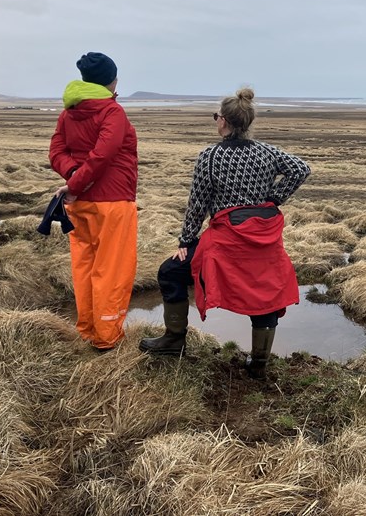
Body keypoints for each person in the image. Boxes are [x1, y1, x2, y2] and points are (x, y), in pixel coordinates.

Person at [139, 87, 310, 378]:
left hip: (226, 242)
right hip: (263, 242)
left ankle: (174, 341)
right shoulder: (267, 152)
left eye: (216, 116)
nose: (216, 120)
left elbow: (197, 204)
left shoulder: (211, 157)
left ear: (224, 121)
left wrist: (186, 241)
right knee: (266, 291)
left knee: (170, 271)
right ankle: (259, 364)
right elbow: (301, 169)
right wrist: (273, 200)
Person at [49, 52, 138, 351]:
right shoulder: (112, 112)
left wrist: (73, 177)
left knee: (84, 266)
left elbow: (56, 152)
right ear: (110, 81)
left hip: (79, 205)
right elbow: (103, 155)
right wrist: (76, 182)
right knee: (112, 270)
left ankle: (87, 329)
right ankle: (107, 336)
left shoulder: (69, 112)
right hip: (113, 202)